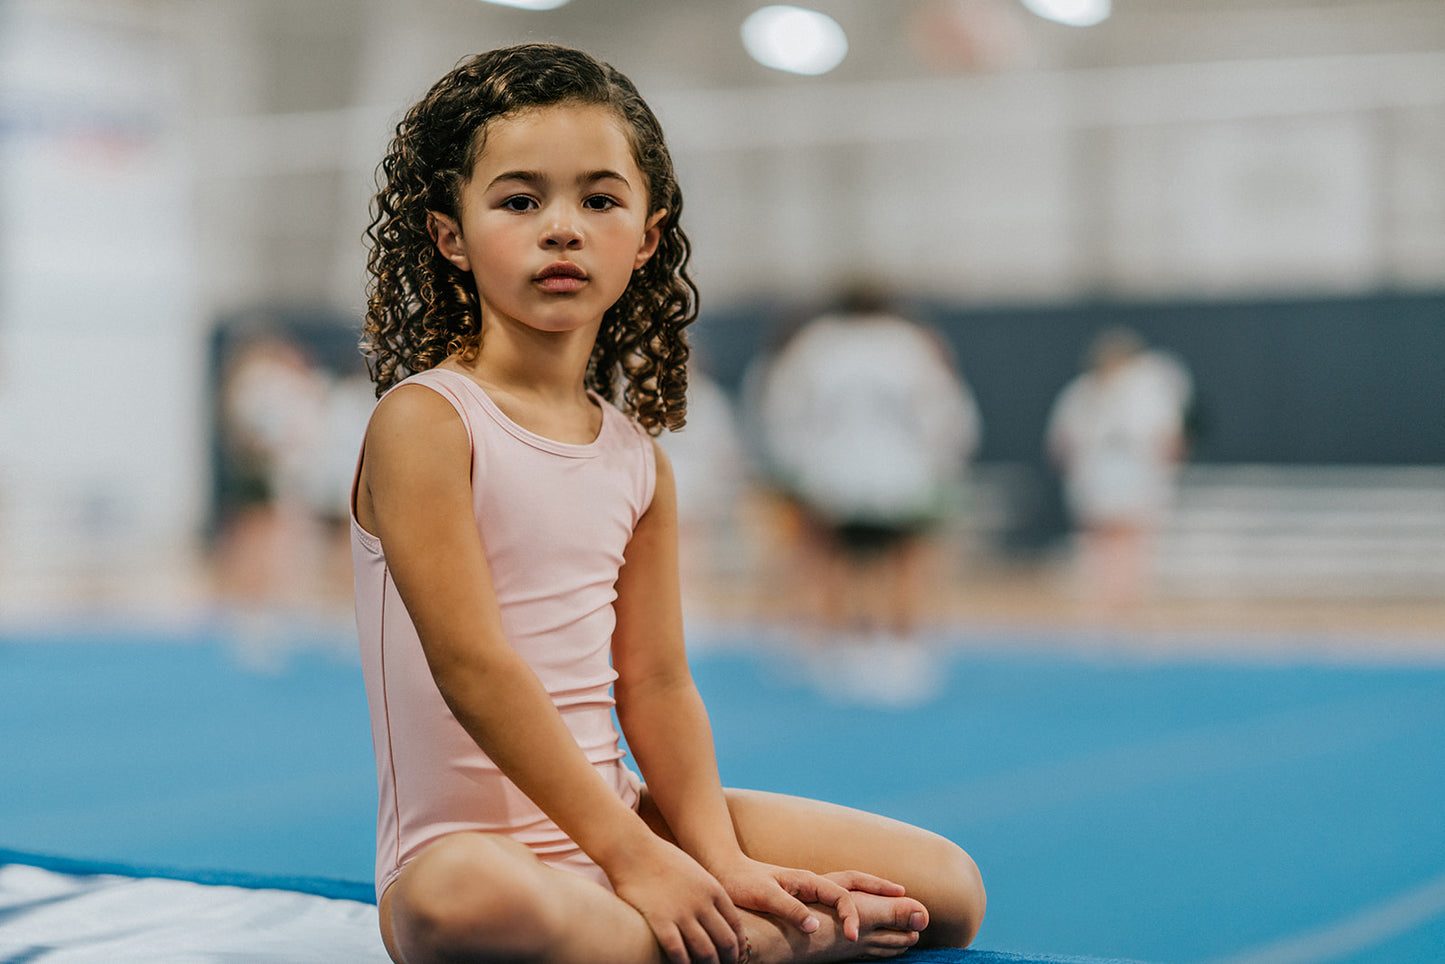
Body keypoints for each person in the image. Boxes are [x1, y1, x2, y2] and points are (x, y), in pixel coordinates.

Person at [351, 44, 985, 964]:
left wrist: (716, 858)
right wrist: (640, 861)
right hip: (473, 856)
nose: (561, 229)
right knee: (460, 906)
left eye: (599, 200)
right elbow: (474, 667)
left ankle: (706, 932)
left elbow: (654, 683)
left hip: (621, 826)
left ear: (646, 237)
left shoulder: (634, 458)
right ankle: (762, 949)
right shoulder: (426, 422)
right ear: (450, 234)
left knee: (945, 887)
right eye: (520, 200)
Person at [751, 285, 981, 658]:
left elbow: (783, 410)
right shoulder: (911, 345)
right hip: (901, 476)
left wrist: (796, 469)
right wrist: (941, 466)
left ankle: (829, 644)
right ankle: (903, 645)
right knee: (905, 561)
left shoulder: (817, 345)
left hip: (830, 476)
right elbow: (943, 412)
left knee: (828, 560)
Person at [1045, 327, 1192, 617]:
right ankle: (1103, 598)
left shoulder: (1146, 391)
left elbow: (1168, 438)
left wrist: (1164, 469)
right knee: (1100, 539)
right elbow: (1062, 441)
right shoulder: (1081, 394)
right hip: (1096, 476)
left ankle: (1126, 600)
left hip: (1133, 474)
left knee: (1129, 538)